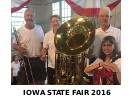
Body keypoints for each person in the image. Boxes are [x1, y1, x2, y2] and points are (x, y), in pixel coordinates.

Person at [13, 9, 46, 85]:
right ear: (24, 17)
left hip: (39, 59)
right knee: (26, 82)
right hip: (26, 60)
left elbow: (44, 44)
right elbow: (13, 44)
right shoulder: (19, 30)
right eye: (27, 15)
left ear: (34, 17)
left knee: (40, 82)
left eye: (31, 16)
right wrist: (19, 48)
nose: (29, 17)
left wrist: (44, 54)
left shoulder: (39, 28)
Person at [41, 15, 62, 85]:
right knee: (51, 84)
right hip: (51, 65)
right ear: (51, 24)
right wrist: (43, 55)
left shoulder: (66, 33)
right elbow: (44, 47)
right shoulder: (47, 35)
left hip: (64, 65)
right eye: (53, 22)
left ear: (60, 22)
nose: (55, 23)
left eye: (57, 21)